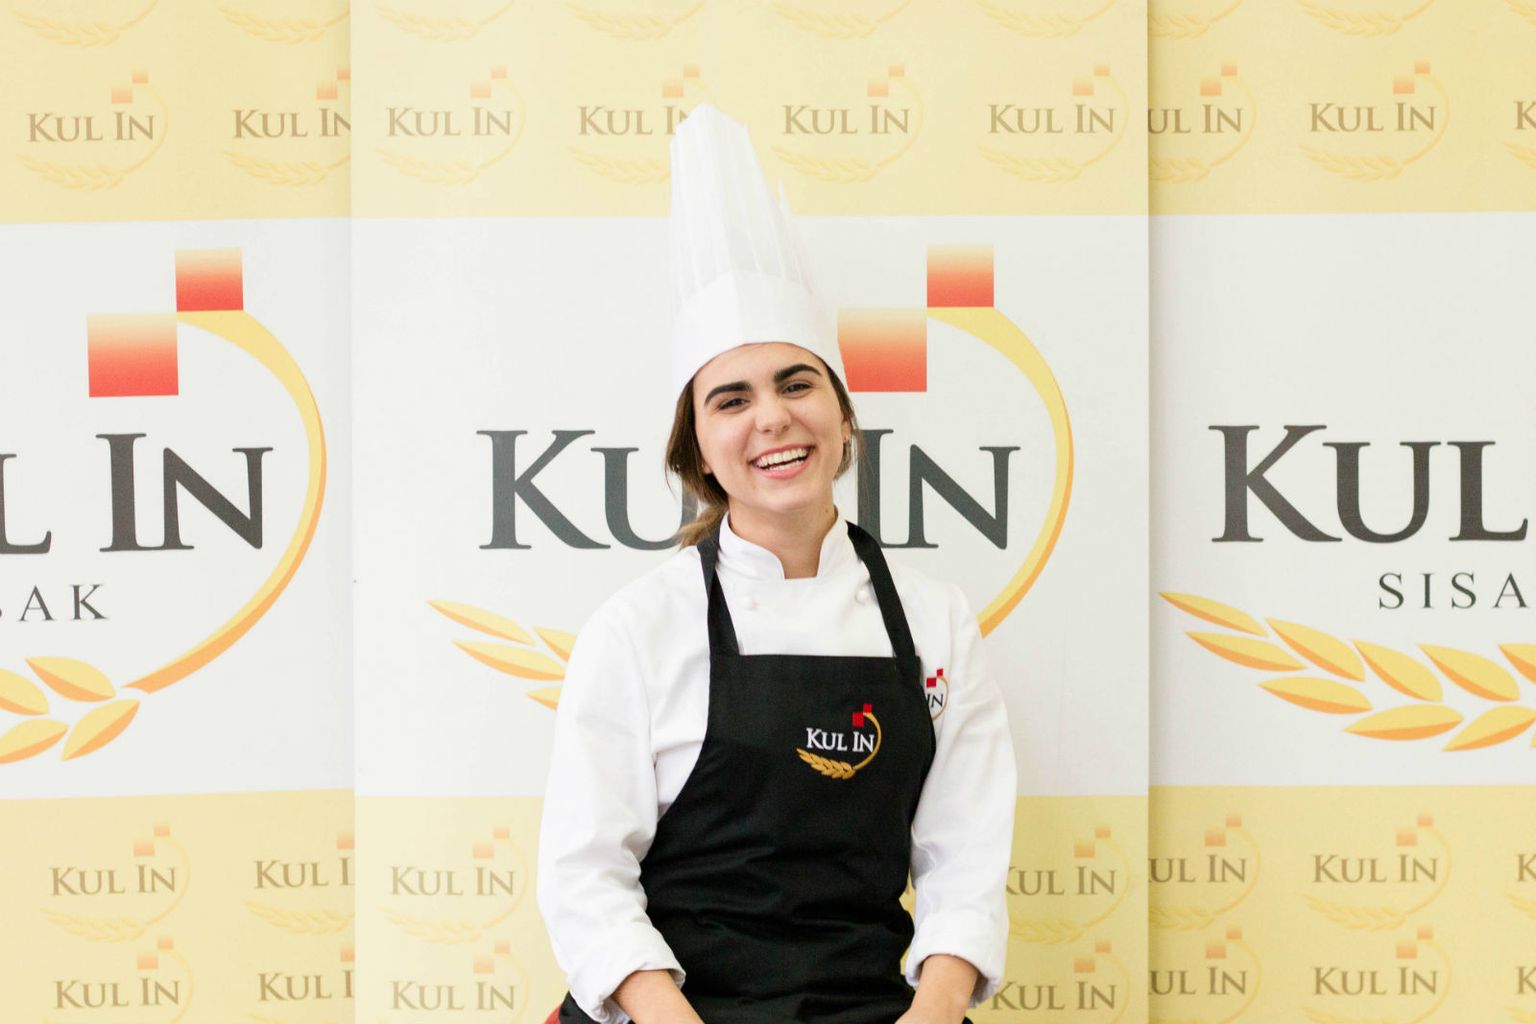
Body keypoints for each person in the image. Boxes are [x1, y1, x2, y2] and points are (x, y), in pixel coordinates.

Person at [537, 105, 1016, 1024]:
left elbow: (966, 860)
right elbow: (584, 876)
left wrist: (933, 1014)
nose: (773, 418)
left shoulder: (937, 621)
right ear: (697, 449)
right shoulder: (638, 629)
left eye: (798, 384)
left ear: (841, 413)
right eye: (731, 399)